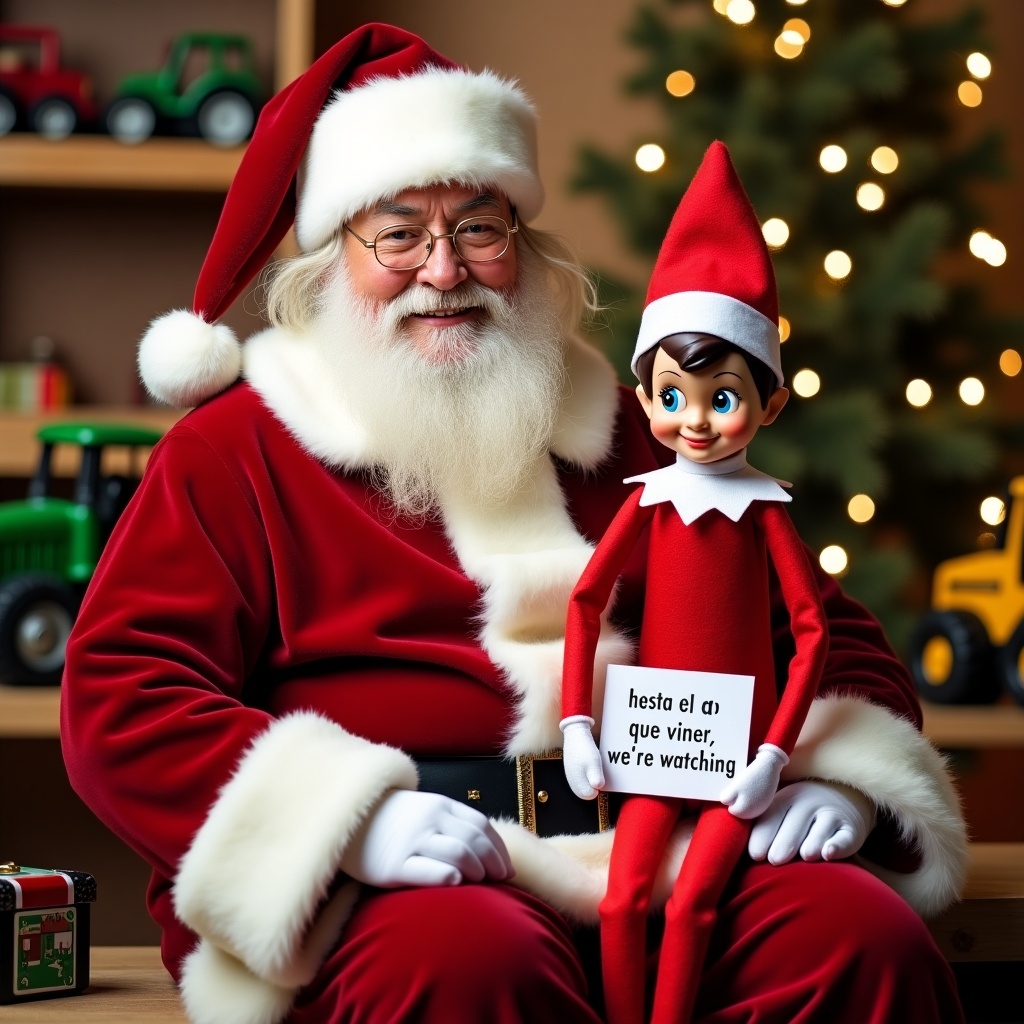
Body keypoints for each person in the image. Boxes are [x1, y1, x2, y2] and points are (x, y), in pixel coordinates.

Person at [60, 22, 968, 1024]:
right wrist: (346, 821)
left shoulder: (639, 430)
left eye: (479, 228)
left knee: (857, 941)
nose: (443, 269)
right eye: (398, 233)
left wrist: (841, 785)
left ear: (523, 245)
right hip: (396, 883)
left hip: (670, 840)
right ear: (329, 260)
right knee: (468, 968)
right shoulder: (236, 449)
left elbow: (832, 641)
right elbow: (123, 697)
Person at [560, 142, 828, 1024]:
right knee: (619, 901)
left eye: (722, 397)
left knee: (695, 904)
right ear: (644, 401)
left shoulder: (765, 511)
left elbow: (814, 634)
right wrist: (577, 725)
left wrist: (776, 756)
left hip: (734, 760)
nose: (696, 422)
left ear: (771, 404)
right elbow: (585, 600)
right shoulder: (647, 500)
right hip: (650, 752)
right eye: (673, 397)